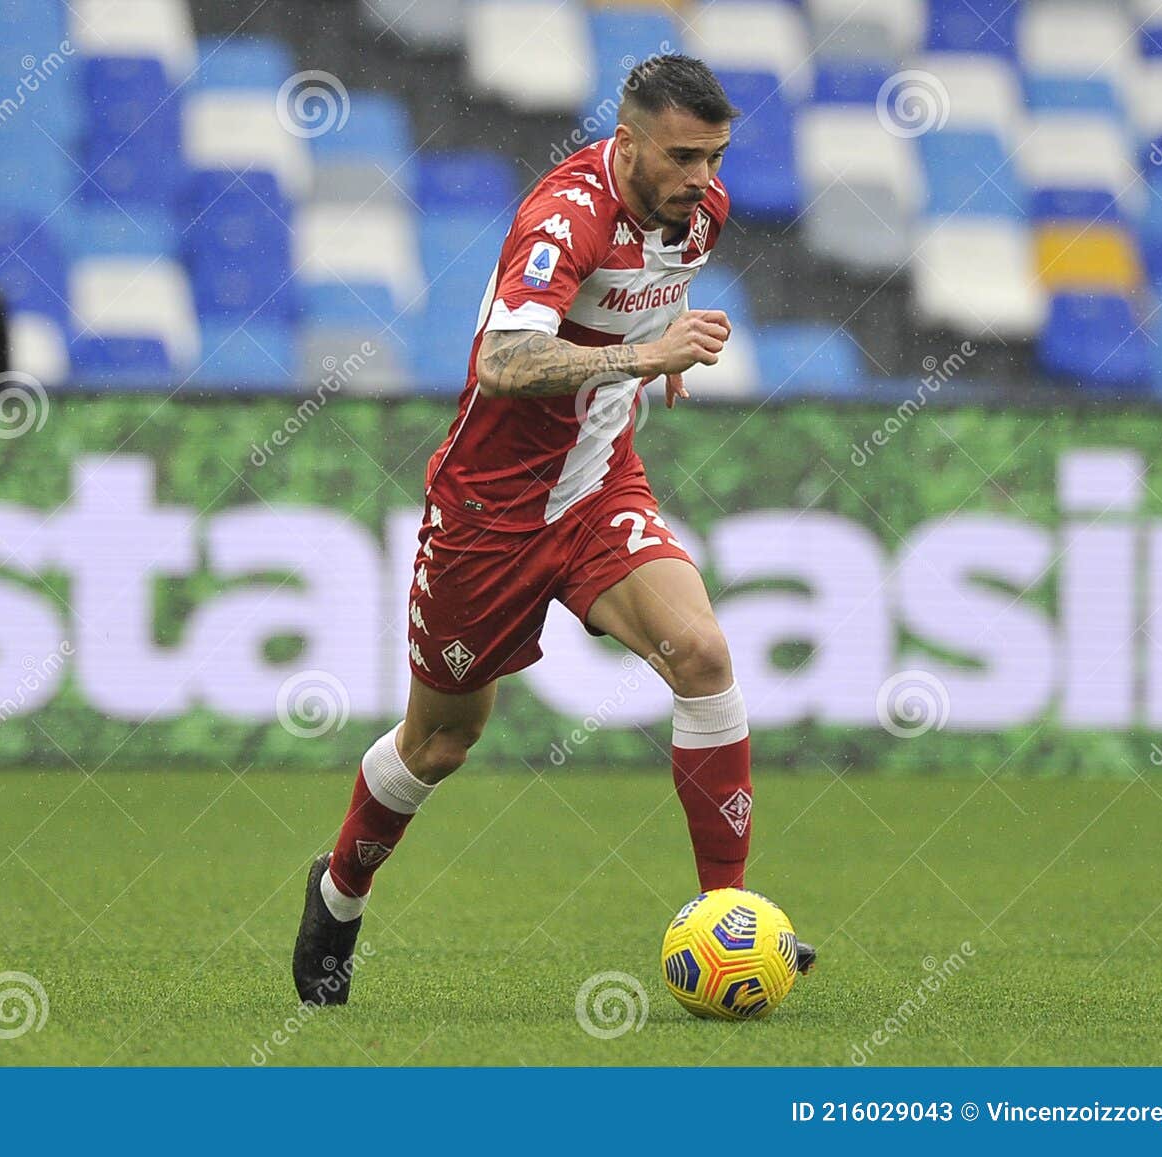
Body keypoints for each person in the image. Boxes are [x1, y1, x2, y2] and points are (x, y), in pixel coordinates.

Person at [293, 54, 816, 1005]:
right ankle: (339, 890)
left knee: (700, 652)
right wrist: (649, 350)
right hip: (489, 511)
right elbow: (500, 361)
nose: (703, 179)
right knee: (443, 741)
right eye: (684, 156)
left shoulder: (701, 214)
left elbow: (644, 294)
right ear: (626, 145)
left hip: (598, 486)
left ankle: (729, 918)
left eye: (715, 156)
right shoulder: (562, 217)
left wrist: (654, 358)